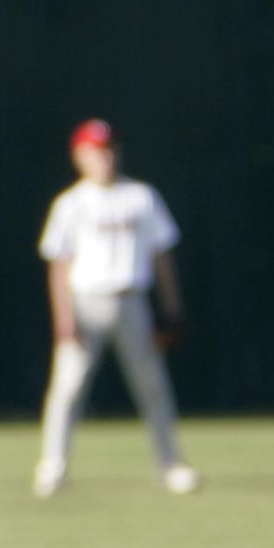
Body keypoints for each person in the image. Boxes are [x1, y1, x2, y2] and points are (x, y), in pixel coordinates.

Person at [33, 119, 200, 497]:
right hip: (86, 302)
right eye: (96, 150)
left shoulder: (141, 196)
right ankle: (52, 466)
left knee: (153, 386)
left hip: (132, 301)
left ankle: (170, 464)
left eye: (109, 148)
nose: (105, 156)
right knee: (68, 388)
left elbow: (162, 256)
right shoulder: (71, 204)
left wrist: (171, 307)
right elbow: (59, 264)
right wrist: (63, 316)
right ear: (79, 156)